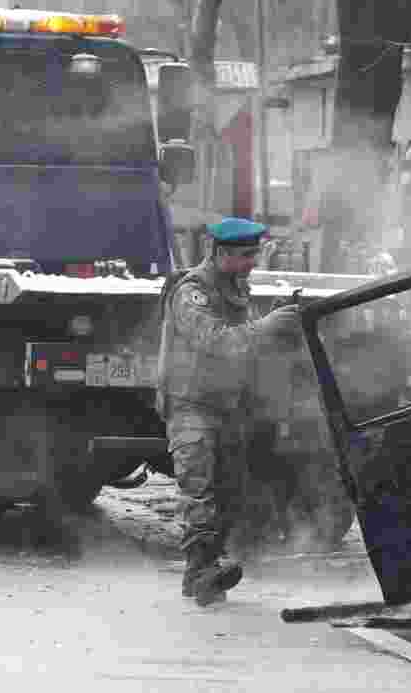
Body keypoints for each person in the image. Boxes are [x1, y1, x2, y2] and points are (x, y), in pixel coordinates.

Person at [156, 217, 304, 606]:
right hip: (191, 404)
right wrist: (267, 326)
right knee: (198, 487)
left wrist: (274, 322)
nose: (252, 263)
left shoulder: (235, 288)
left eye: (254, 254)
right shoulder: (192, 291)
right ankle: (202, 569)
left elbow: (247, 345)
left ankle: (202, 574)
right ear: (220, 253)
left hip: (227, 405)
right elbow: (217, 341)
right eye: (245, 256)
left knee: (228, 492)